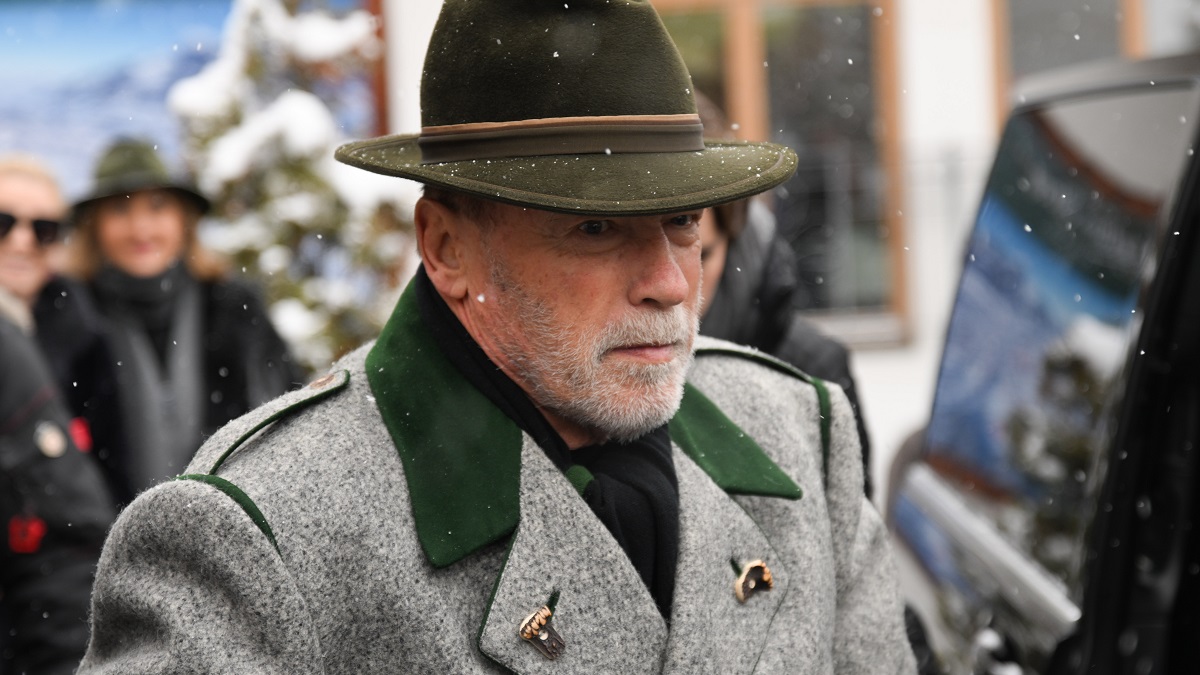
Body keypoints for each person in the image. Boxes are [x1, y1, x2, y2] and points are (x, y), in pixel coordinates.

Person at [79, 2, 917, 673]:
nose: (668, 280)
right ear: (446, 246)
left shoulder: (802, 438)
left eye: (683, 220)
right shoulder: (260, 542)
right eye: (594, 227)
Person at [66, 139, 303, 504]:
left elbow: (286, 418)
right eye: (119, 210)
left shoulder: (234, 309)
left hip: (230, 529)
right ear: (94, 226)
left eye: (157, 207)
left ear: (183, 220)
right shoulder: (71, 316)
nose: (140, 229)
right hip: (101, 545)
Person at [693, 94, 877, 499]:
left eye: (699, 256)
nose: (673, 285)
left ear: (734, 236)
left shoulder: (813, 374)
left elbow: (856, 550)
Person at [0, 178, 117, 673]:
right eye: (4, 222)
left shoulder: (86, 340)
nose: (22, 240)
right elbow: (63, 531)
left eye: (44, 229)